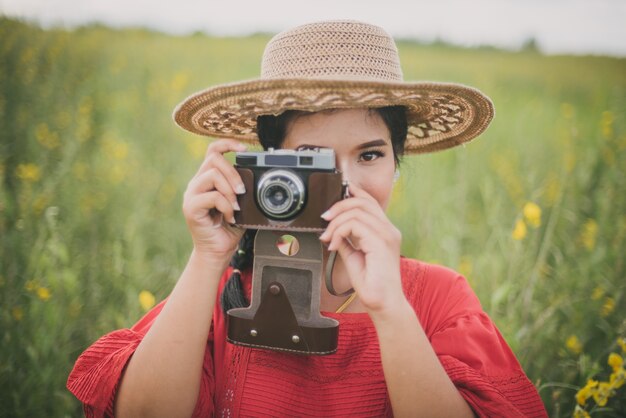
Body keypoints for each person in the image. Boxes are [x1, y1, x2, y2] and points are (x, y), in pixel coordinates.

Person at [67, 20, 548, 417]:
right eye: (313, 159)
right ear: (270, 170)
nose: (343, 185)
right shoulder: (224, 294)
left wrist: (390, 310)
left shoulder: (437, 301)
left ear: (397, 165)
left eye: (370, 155)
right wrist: (207, 256)